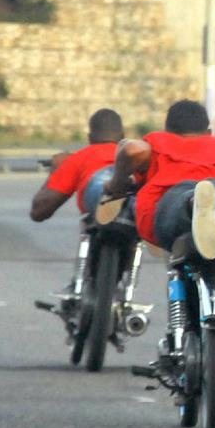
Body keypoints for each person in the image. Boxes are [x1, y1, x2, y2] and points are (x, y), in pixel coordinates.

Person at [103, 99, 215, 260]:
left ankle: (195, 204)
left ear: (167, 130)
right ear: (208, 132)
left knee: (182, 204)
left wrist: (117, 184)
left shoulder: (159, 141)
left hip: (172, 196)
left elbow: (132, 150)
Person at [29, 108, 125, 305]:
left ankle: (79, 286)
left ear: (90, 137)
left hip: (94, 216)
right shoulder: (134, 158)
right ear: (123, 137)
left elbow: (39, 212)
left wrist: (55, 171)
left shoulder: (80, 158)